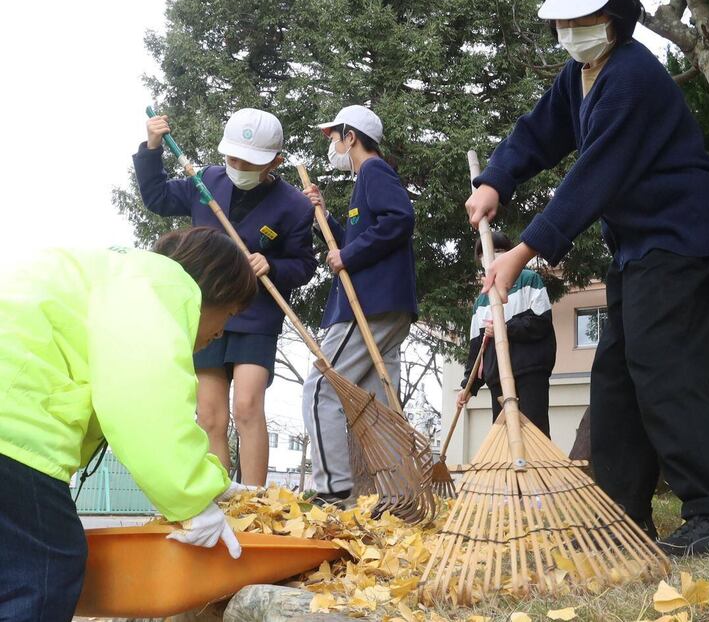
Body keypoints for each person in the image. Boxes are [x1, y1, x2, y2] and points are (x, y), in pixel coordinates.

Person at [465, 0, 709, 555]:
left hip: (681, 236)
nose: (573, 29)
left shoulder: (633, 78)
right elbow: (538, 133)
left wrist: (521, 253)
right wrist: (496, 178)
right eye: (564, 19)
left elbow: (591, 178)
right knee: (617, 377)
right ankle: (622, 518)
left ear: (620, 9)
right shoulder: (581, 75)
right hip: (638, 245)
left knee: (662, 367)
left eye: (587, 16)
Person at [0, 227, 259, 622]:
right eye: (230, 315)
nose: (223, 331)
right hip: (13, 429)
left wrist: (217, 484)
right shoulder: (162, 285)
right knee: (46, 563)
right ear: (213, 288)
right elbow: (142, 392)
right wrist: (190, 497)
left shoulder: (111, 275)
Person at [134, 109, 317, 485]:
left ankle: (254, 500)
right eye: (232, 158)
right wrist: (152, 148)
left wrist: (272, 265)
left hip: (255, 316)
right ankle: (222, 497)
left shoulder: (295, 205)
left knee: (248, 406)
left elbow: (304, 265)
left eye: (248, 162)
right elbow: (155, 196)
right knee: (210, 415)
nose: (237, 166)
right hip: (204, 313)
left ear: (274, 162)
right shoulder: (204, 181)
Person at [301, 105, 418, 506]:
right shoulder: (365, 181)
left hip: (368, 304)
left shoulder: (373, 171)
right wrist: (324, 218)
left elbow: (399, 218)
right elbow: (351, 243)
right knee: (376, 405)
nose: (332, 145)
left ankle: (334, 492)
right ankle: (398, 497)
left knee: (321, 388)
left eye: (335, 137)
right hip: (387, 304)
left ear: (350, 137)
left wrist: (347, 258)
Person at [457, 231, 556, 436]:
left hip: (530, 370)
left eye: (499, 251)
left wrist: (505, 328)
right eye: (486, 253)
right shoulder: (481, 302)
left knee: (534, 433)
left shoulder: (529, 280)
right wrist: (468, 386)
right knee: (503, 438)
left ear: (509, 252)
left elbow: (541, 322)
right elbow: (477, 349)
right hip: (497, 377)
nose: (492, 256)